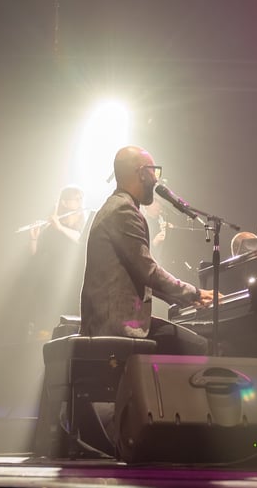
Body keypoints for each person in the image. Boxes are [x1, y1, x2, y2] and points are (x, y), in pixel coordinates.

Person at [80, 145, 213, 355]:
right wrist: (194, 292)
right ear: (142, 173)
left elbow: (141, 276)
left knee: (189, 342)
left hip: (113, 319)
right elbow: (149, 271)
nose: (156, 179)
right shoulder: (123, 210)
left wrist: (192, 298)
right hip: (116, 324)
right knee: (199, 347)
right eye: (154, 171)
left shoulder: (116, 206)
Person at [25, 185, 89, 340]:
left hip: (74, 278)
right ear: (65, 203)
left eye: (80, 198)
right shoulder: (51, 227)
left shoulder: (82, 222)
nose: (80, 202)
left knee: (71, 316)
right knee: (48, 318)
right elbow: (35, 254)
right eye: (76, 199)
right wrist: (33, 237)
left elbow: (81, 239)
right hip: (52, 278)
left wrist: (59, 227)